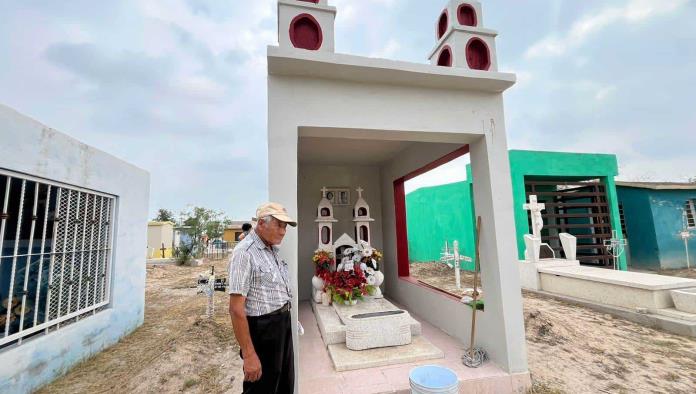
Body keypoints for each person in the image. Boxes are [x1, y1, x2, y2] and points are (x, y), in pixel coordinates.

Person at [228, 202, 297, 394]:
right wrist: (249, 354)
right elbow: (236, 309)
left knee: (284, 385)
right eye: (279, 225)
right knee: (262, 388)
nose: (283, 231)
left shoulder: (272, 250)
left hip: (282, 324)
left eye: (285, 227)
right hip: (263, 330)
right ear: (261, 223)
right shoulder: (245, 253)